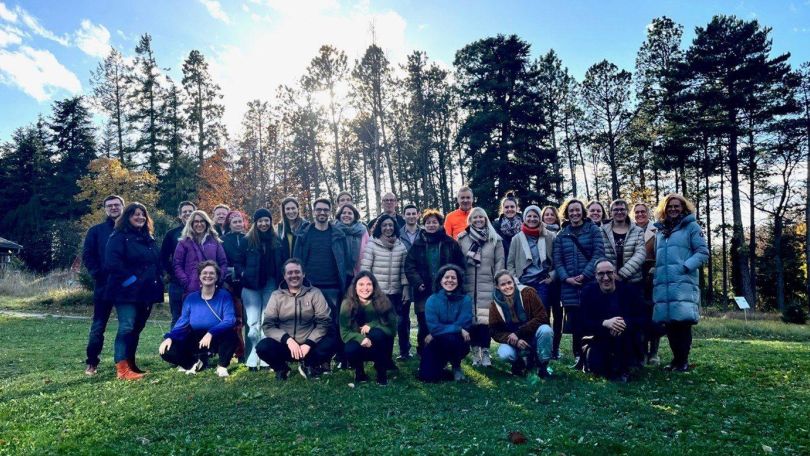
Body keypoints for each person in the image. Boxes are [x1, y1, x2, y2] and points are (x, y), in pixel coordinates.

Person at [104, 202, 164, 380]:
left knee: (137, 328)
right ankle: (122, 369)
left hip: (146, 292)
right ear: (127, 217)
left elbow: (154, 262)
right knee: (127, 327)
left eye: (143, 214)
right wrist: (132, 281)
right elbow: (112, 264)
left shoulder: (148, 238)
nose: (140, 217)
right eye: (135, 214)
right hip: (126, 292)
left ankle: (131, 365)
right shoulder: (118, 237)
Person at [652, 193, 709, 372]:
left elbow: (702, 252)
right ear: (665, 209)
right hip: (664, 283)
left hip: (682, 282)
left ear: (683, 208)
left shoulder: (692, 227)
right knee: (669, 323)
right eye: (670, 206)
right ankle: (676, 360)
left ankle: (682, 360)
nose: (673, 209)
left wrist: (685, 266)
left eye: (677, 206)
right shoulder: (661, 230)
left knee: (682, 323)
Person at [256, 259, 338, 380]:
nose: (294, 275)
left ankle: (310, 365)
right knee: (263, 347)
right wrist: (288, 340)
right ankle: (281, 368)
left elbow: (324, 321)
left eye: (297, 272)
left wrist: (309, 343)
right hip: (286, 346)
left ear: (303, 274)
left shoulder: (315, 293)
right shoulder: (276, 296)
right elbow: (268, 325)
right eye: (290, 273)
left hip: (310, 346)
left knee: (333, 341)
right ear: (284, 276)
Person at [294, 198, 352, 369]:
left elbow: (345, 262)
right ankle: (313, 361)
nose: (322, 213)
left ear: (330, 212)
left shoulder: (338, 235)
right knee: (311, 325)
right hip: (310, 287)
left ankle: (327, 359)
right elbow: (296, 261)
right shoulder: (304, 235)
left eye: (325, 210)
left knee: (332, 325)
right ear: (314, 211)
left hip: (333, 287)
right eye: (319, 209)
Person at [159, 261, 238, 377]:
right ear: (199, 277)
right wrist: (170, 337)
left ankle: (222, 366)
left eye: (212, 273)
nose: (208, 276)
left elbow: (230, 320)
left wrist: (211, 333)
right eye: (204, 273)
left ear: (217, 277)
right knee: (167, 350)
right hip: (196, 337)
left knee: (231, 336)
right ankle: (193, 363)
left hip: (217, 337)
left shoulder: (224, 296)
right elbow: (183, 322)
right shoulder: (191, 298)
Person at [404, 209, 465, 355]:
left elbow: (460, 265)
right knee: (424, 323)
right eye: (428, 222)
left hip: (446, 292)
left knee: (445, 322)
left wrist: (453, 283)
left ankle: (447, 354)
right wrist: (418, 282)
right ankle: (424, 354)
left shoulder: (450, 243)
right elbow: (409, 266)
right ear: (424, 225)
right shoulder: (417, 244)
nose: (431, 225)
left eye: (434, 222)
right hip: (423, 292)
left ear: (440, 224)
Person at [553, 198, 605, 368]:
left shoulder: (593, 230)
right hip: (569, 286)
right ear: (567, 214)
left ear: (583, 212)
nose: (574, 213)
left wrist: (585, 274)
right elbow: (557, 261)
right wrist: (566, 278)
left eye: (577, 210)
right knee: (575, 322)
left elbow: (598, 254)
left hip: (589, 283)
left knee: (590, 320)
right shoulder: (562, 235)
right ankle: (578, 356)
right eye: (571, 211)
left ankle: (592, 355)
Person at [506, 205, 561, 359]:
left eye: (535, 216)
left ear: (539, 218)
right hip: (523, 284)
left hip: (542, 283)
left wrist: (552, 276)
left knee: (541, 317)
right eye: (529, 216)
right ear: (524, 218)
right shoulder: (517, 238)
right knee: (525, 318)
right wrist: (515, 280)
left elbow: (557, 260)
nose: (532, 219)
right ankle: (526, 351)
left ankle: (543, 353)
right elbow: (509, 263)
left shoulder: (549, 236)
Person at [234, 208, 285, 370]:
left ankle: (264, 357)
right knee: (253, 322)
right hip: (251, 286)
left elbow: (283, 262)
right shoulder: (246, 241)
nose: (264, 224)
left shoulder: (277, 241)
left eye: (266, 220)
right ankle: (252, 356)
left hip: (270, 284)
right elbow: (237, 262)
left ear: (270, 222)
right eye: (260, 221)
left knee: (267, 320)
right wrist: (243, 273)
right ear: (255, 223)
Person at [580, 260, 646, 382]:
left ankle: (626, 368)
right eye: (601, 274)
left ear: (615, 273)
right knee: (599, 369)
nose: (605, 278)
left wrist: (624, 323)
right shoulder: (588, 293)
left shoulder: (629, 292)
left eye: (609, 273)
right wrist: (605, 323)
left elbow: (643, 318)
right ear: (595, 275)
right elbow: (583, 323)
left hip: (626, 339)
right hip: (600, 338)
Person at [457, 207, 504, 367]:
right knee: (471, 321)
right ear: (470, 220)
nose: (478, 220)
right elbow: (459, 262)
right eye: (475, 218)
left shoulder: (494, 239)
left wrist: (497, 282)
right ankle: (475, 352)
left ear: (486, 219)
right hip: (468, 286)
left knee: (485, 322)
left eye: (481, 217)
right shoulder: (462, 238)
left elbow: (499, 262)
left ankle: (485, 352)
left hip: (488, 285)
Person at [83, 195, 124, 375]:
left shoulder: (130, 230)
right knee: (98, 327)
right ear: (105, 209)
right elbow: (88, 256)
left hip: (126, 287)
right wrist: (97, 274)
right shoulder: (96, 231)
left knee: (127, 326)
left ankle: (125, 362)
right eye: (110, 206)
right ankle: (92, 363)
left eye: (117, 205)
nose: (113, 208)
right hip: (103, 286)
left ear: (123, 207)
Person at [361, 214, 410, 360]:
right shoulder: (372, 244)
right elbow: (366, 269)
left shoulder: (400, 246)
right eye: (384, 225)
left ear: (394, 227)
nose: (388, 228)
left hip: (395, 293)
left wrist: (406, 288)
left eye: (390, 225)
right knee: (378, 327)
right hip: (378, 294)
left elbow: (404, 270)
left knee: (393, 326)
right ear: (379, 228)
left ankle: (389, 358)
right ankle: (380, 358)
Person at [489, 270, 553, 377]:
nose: (507, 286)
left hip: (533, 335)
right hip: (514, 340)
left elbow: (542, 317)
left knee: (546, 330)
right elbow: (494, 331)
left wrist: (518, 333)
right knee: (504, 353)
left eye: (509, 282)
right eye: (503, 284)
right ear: (497, 287)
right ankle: (519, 364)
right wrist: (515, 340)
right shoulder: (494, 304)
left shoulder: (528, 293)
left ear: (514, 282)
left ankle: (542, 366)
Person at [340, 272, 397, 385]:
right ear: (355, 287)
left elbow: (392, 330)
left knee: (378, 334)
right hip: (359, 343)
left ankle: (381, 373)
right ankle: (360, 372)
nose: (365, 288)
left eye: (369, 284)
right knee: (350, 349)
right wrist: (361, 338)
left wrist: (372, 326)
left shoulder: (383, 301)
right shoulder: (347, 304)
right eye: (361, 284)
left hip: (380, 344)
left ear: (374, 286)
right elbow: (344, 332)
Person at [418, 265, 473, 382]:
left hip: (457, 342)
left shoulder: (466, 300)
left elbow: (464, 324)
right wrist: (457, 328)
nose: (450, 280)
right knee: (427, 377)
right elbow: (434, 328)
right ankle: (440, 366)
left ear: (458, 281)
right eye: (446, 277)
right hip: (436, 342)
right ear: (440, 280)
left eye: (453, 278)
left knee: (451, 338)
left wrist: (441, 331)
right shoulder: (432, 300)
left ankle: (456, 366)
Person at [173, 210, 228, 296]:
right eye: (196, 221)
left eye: (202, 221)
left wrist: (219, 279)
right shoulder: (183, 243)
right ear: (191, 224)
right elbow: (177, 265)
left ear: (206, 223)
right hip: (191, 289)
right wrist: (186, 282)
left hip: (213, 288)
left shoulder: (214, 241)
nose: (199, 224)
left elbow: (223, 263)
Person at [160, 201, 197, 326]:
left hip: (200, 283)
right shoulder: (172, 234)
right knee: (178, 318)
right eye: (184, 212)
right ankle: (174, 345)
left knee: (197, 318)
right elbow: (163, 257)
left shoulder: (203, 232)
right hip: (178, 284)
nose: (187, 214)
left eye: (190, 211)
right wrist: (172, 273)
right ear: (180, 215)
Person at [633, 202, 661, 365]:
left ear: (648, 213)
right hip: (636, 276)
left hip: (653, 276)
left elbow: (662, 253)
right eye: (637, 212)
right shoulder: (630, 229)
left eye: (643, 212)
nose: (640, 215)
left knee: (654, 315)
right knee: (640, 315)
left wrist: (655, 269)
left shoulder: (656, 230)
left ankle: (654, 352)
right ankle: (642, 351)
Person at [600, 199, 646, 289]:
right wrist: (611, 274)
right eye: (616, 210)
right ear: (611, 212)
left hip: (633, 280)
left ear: (627, 211)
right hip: (609, 280)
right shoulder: (602, 231)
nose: (619, 212)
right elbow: (600, 253)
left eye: (622, 209)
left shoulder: (638, 231)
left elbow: (640, 254)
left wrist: (622, 274)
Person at [221, 210, 247, 361]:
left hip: (246, 283)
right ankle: (238, 351)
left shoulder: (249, 238)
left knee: (247, 319)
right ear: (229, 224)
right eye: (234, 222)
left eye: (240, 221)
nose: (238, 224)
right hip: (229, 284)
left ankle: (249, 350)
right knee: (234, 320)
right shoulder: (223, 240)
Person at [335, 203, 369, 276]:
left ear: (354, 216)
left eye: (350, 213)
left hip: (359, 272)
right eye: (344, 213)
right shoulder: (334, 230)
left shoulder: (362, 230)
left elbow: (368, 252)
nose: (346, 215)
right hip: (337, 274)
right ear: (339, 215)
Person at [492, 192, 522, 263]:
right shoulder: (496, 226)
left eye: (512, 207)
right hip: (503, 262)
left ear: (516, 208)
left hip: (520, 262)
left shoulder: (524, 223)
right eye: (506, 207)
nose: (509, 209)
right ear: (503, 209)